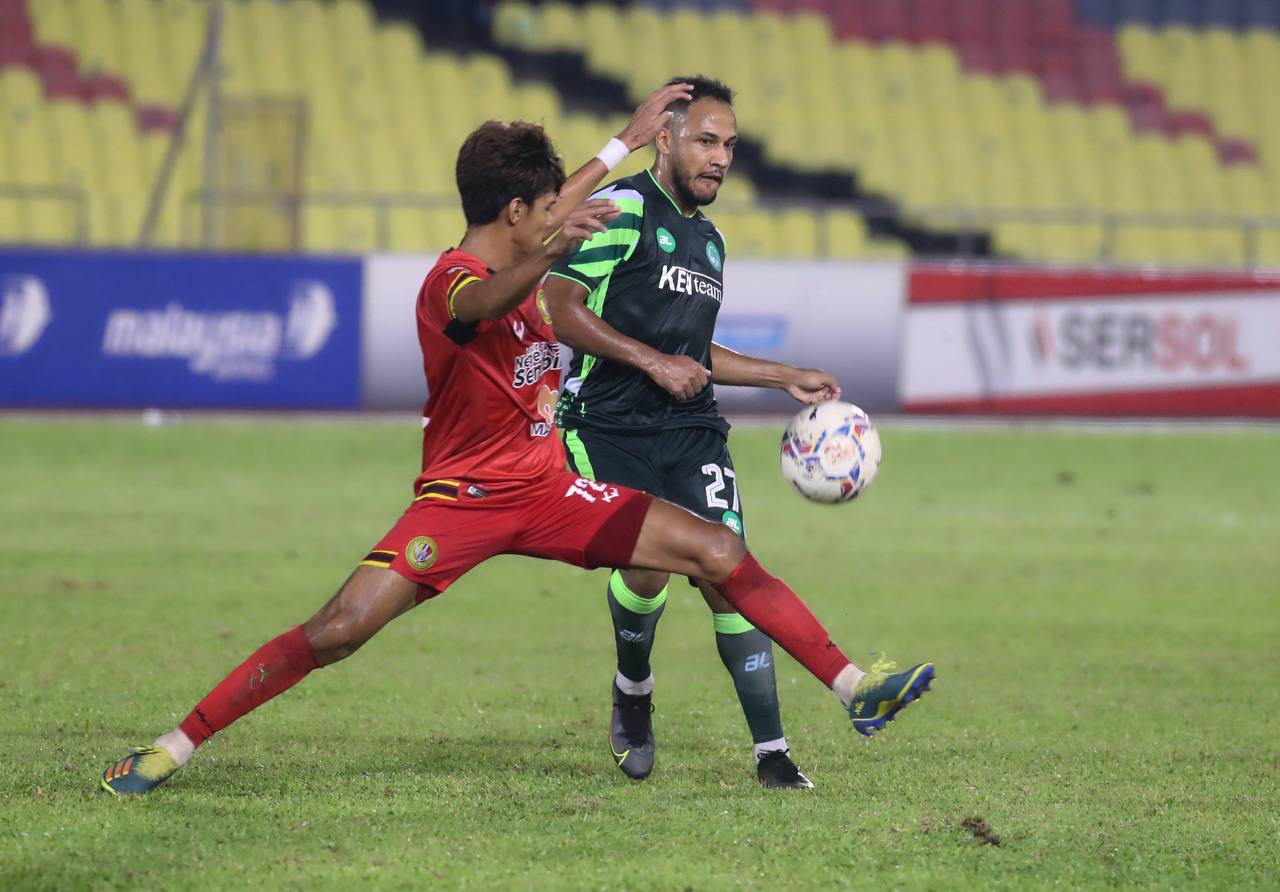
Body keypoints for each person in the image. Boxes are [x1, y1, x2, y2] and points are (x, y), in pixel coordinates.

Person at [100, 87, 935, 797]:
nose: (556, 218)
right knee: (338, 631)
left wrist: (622, 143)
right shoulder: (449, 284)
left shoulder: (530, 249)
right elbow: (487, 302)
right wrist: (555, 251)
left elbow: (548, 227)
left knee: (718, 551)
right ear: (515, 216)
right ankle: (174, 746)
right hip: (461, 502)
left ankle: (853, 687)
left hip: (549, 491)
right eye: (544, 213)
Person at [542, 76, 843, 789]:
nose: (721, 158)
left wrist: (783, 376)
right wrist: (652, 362)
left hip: (691, 429)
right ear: (665, 138)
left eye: (730, 146)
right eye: (707, 141)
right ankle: (633, 687)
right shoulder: (621, 209)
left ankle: (773, 754)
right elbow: (559, 305)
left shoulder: (710, 240)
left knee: (726, 570)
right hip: (606, 425)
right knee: (647, 571)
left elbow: (693, 351)